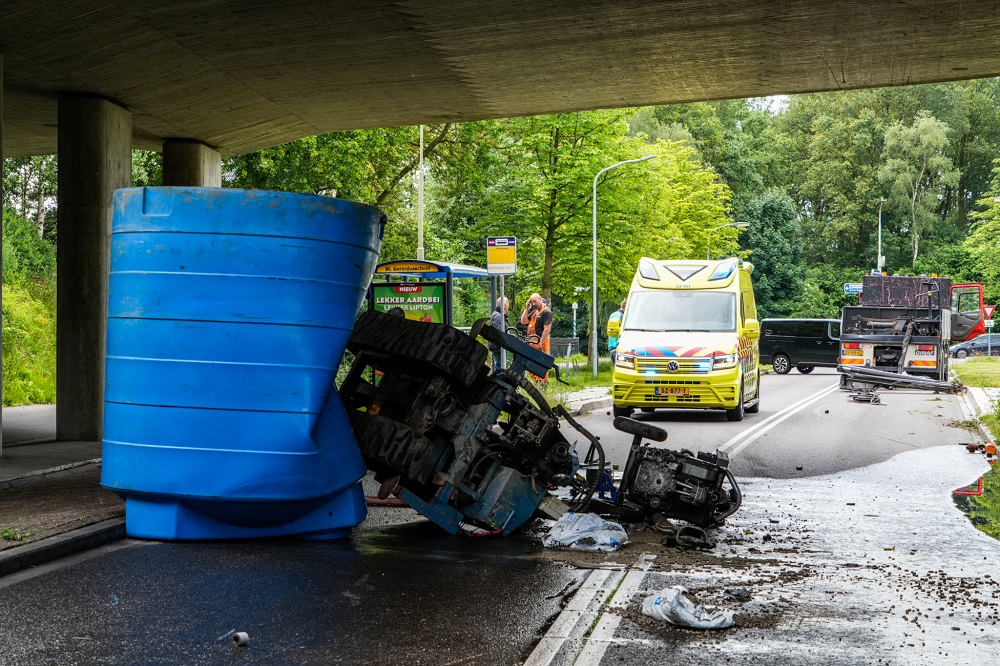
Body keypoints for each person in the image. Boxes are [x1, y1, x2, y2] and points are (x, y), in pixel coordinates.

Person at [520, 292, 553, 383]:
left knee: (540, 364)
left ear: (540, 299)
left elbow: (546, 330)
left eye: (535, 301)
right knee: (531, 364)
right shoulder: (534, 312)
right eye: (531, 302)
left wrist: (540, 344)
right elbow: (523, 321)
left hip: (540, 342)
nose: (533, 304)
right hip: (532, 342)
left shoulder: (546, 312)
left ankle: (543, 383)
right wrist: (526, 309)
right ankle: (537, 382)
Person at [489, 296, 509, 372]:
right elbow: (497, 333)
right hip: (499, 347)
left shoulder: (498, 315)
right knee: (499, 367)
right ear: (504, 305)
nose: (508, 305)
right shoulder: (498, 316)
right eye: (507, 303)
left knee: (500, 366)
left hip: (499, 346)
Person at [607, 298, 627, 363]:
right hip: (618, 348)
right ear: (626, 306)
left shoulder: (612, 315)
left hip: (611, 348)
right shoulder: (623, 317)